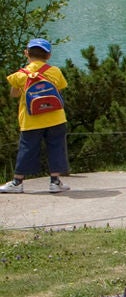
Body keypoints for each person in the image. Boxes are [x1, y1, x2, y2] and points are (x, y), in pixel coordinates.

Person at [5, 38, 69, 193]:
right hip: (56, 118)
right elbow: (59, 90)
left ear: (26, 53)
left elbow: (13, 94)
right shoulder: (55, 71)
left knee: (27, 149)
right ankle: (55, 182)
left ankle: (18, 182)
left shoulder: (20, 75)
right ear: (48, 55)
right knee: (56, 147)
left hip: (31, 119)